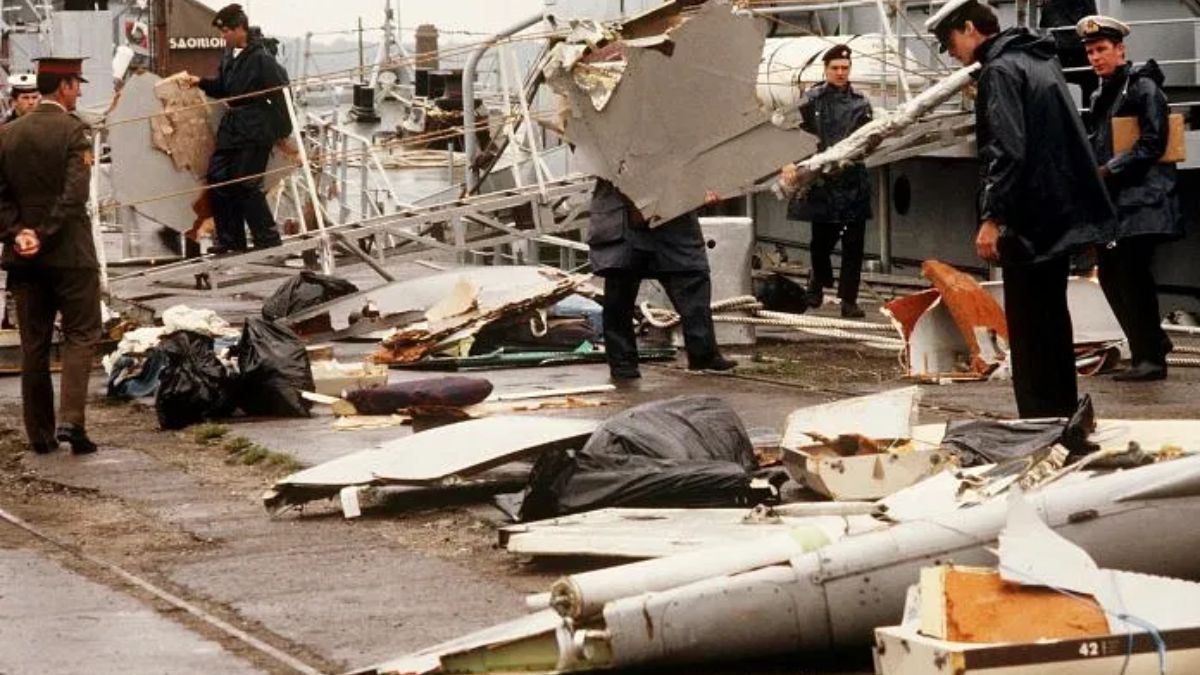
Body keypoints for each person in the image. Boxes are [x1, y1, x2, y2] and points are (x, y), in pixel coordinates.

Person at [926, 0, 1116, 418]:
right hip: (1056, 214)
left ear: (971, 28)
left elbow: (1007, 150)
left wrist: (993, 217)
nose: (951, 51)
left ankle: (1038, 420)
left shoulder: (1000, 71)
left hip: (1027, 218)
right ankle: (1062, 414)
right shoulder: (1038, 58)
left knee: (1029, 329)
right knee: (1052, 319)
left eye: (949, 40)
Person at [0, 57, 101, 454]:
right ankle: (72, 422)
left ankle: (39, 435)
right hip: (71, 255)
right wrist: (43, 233)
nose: (78, 92)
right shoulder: (75, 131)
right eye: (77, 85)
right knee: (81, 334)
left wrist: (18, 233)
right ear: (63, 86)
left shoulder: (7, 135)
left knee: (34, 345)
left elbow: (1, 195)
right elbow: (75, 195)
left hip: (24, 259)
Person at [1079, 16, 1184, 381]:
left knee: (1132, 276)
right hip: (1118, 203)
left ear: (1120, 49)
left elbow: (1153, 141)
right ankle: (1151, 342)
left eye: (1102, 49)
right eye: (1090, 51)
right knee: (1110, 275)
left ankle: (1150, 359)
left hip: (1144, 200)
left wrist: (1109, 170)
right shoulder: (1100, 94)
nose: (1095, 57)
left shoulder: (1143, 88)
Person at [588, 179, 736, 380]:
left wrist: (703, 187)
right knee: (620, 291)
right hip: (624, 210)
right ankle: (623, 363)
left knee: (692, 278)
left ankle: (704, 354)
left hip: (672, 208)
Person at [185, 3, 289, 255]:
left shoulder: (261, 58)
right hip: (232, 128)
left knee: (246, 184)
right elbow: (223, 87)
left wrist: (281, 129)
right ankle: (231, 240)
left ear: (240, 29)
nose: (224, 37)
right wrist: (201, 83)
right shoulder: (229, 55)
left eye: (227, 32)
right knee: (218, 179)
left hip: (255, 127)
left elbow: (281, 90)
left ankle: (267, 239)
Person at [782, 44, 874, 318]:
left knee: (854, 245)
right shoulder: (811, 100)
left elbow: (869, 139)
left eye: (845, 68)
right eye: (835, 68)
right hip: (822, 182)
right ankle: (818, 281)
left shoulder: (860, 103)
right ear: (825, 70)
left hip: (852, 180)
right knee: (820, 243)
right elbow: (792, 131)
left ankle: (848, 300)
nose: (840, 73)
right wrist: (788, 161)